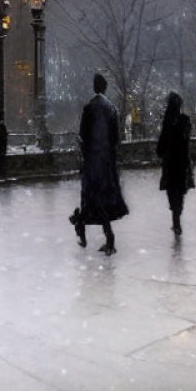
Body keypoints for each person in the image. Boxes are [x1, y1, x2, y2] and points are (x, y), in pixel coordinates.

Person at [69, 74, 128, 255]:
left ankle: (84, 227)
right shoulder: (111, 109)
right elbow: (116, 139)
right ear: (105, 88)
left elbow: (83, 136)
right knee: (103, 200)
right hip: (106, 162)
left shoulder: (89, 108)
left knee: (92, 198)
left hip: (92, 161)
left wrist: (87, 153)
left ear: (94, 88)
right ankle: (103, 235)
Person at [156, 91, 193, 236]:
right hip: (182, 162)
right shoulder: (184, 120)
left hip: (170, 163)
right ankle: (177, 214)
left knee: (172, 191)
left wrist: (162, 151)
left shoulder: (168, 122)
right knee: (180, 190)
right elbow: (187, 138)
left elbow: (161, 145)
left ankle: (175, 217)